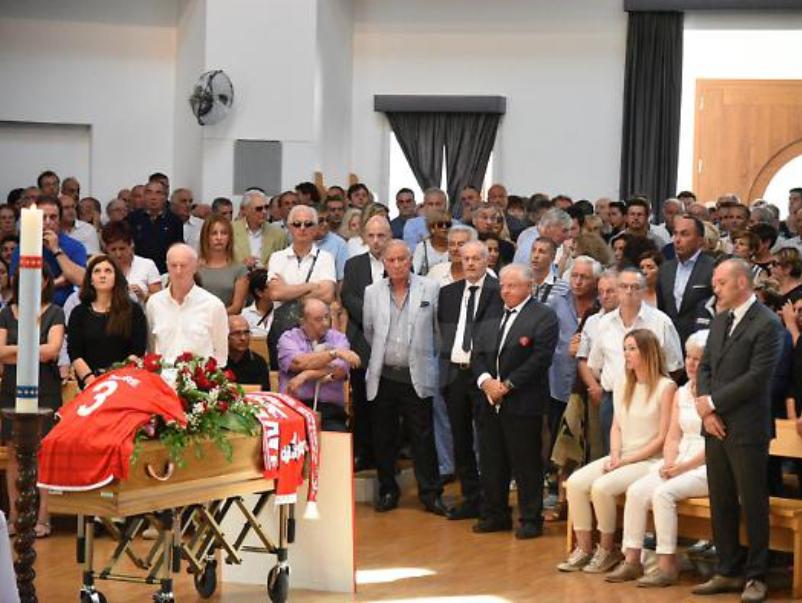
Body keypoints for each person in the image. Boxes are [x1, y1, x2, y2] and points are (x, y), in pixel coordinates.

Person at [691, 259, 783, 603]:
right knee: (722, 500)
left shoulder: (768, 323)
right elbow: (705, 367)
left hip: (747, 427)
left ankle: (756, 575)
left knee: (753, 501)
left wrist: (713, 402)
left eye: (721, 282)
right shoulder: (720, 320)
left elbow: (758, 377)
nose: (715, 288)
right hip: (715, 425)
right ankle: (727, 569)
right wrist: (706, 409)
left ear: (742, 282)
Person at [559, 329, 675, 574]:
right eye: (624, 348)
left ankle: (607, 549)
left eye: (632, 348)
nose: (626, 354)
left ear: (648, 352)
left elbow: (662, 438)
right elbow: (616, 426)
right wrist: (614, 455)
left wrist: (625, 460)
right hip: (621, 455)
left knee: (602, 488)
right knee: (576, 483)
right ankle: (584, 548)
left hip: (649, 460)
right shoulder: (622, 383)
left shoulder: (666, 387)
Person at [611, 330, 709, 587]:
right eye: (689, 357)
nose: (691, 363)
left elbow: (714, 445)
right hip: (679, 459)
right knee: (636, 491)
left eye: (698, 359)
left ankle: (667, 565)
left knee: (663, 494)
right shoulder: (682, 392)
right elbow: (673, 436)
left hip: (705, 465)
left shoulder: (715, 396)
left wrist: (682, 467)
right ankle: (632, 561)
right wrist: (669, 462)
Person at [470, 263, 558, 539]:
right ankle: (495, 514)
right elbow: (477, 352)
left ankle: (530, 518)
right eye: (503, 286)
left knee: (526, 463)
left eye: (512, 286)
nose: (505, 291)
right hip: (489, 398)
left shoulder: (543, 316)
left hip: (523, 401)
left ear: (529, 287)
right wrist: (486, 381)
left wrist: (507, 385)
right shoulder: (493, 313)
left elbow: (540, 358)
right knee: (491, 460)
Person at [362, 240, 447, 515]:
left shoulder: (430, 288)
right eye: (391, 260)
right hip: (384, 374)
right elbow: (369, 331)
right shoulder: (372, 291)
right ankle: (388, 490)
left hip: (416, 374)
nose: (397, 265)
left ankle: (431, 493)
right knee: (384, 437)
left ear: (411, 260)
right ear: (384, 263)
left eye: (402, 259)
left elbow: (437, 333)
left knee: (423, 436)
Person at [437, 240, 503, 520]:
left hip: (484, 375)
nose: (471, 263)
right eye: (466, 259)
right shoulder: (448, 293)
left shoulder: (498, 291)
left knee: (487, 441)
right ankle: (470, 497)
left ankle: (492, 500)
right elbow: (443, 331)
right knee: (460, 439)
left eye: (477, 258)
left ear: (487, 260)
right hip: (454, 374)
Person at [586, 268, 683, 453]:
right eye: (624, 286)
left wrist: (654, 390)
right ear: (617, 290)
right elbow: (595, 364)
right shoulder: (604, 323)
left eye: (635, 287)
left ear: (644, 291)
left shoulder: (661, 322)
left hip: (650, 399)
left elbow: (675, 367)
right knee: (612, 455)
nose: (629, 292)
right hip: (613, 399)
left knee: (648, 455)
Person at [0, 266, 65, 538]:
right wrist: (31, 351)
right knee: (14, 450)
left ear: (46, 281)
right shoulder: (6, 313)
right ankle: (15, 516)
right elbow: (0, 352)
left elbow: (52, 350)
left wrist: (17, 352)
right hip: (11, 387)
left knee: (44, 451)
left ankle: (43, 515)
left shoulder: (55, 312)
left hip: (45, 385)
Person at [341, 215, 392, 472]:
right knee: (361, 403)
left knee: (388, 405)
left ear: (389, 236)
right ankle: (363, 453)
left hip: (392, 344)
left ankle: (387, 457)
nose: (376, 241)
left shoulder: (399, 261)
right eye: (371, 235)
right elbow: (348, 297)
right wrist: (375, 316)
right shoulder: (354, 265)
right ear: (364, 237)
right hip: (361, 341)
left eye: (381, 235)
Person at [277, 298, 360, 432]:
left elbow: (340, 370)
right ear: (302, 321)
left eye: (327, 317)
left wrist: (306, 375)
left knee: (338, 437)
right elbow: (299, 362)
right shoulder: (288, 338)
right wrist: (334, 354)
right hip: (294, 407)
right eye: (318, 319)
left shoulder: (338, 338)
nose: (325, 323)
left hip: (330, 411)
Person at [67, 254, 148, 387]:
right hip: (90, 384)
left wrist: (117, 381)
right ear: (91, 280)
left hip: (124, 382)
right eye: (97, 271)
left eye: (108, 271)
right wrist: (91, 381)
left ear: (116, 277)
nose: (102, 275)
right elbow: (75, 353)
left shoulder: (133, 310)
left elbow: (138, 350)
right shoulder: (79, 313)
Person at [146, 243, 228, 366]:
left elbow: (220, 354)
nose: (178, 271)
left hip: (199, 377)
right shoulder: (154, 303)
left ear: (195, 267)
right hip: (162, 376)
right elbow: (151, 347)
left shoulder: (213, 305)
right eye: (173, 265)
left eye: (183, 266)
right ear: (167, 266)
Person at [10, 195, 87, 307]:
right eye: (42, 217)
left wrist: (56, 250)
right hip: (31, 306)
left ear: (60, 219)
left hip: (64, 307)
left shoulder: (75, 246)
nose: (47, 222)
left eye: (53, 217)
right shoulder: (23, 247)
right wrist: (58, 281)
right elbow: (16, 284)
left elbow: (81, 279)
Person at [657, 215, 713, 346]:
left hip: (700, 342)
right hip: (670, 342)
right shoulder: (665, 269)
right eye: (675, 234)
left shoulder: (712, 268)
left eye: (684, 234)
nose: (677, 240)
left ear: (700, 240)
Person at [126, 180, 183, 274]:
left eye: (158, 193)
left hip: (164, 271)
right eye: (149, 192)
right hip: (138, 271)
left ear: (165, 197)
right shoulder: (132, 219)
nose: (153, 197)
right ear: (144, 196)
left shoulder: (174, 221)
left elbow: (177, 248)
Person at [100, 221, 162, 305]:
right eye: (113, 249)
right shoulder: (100, 268)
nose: (118, 254)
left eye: (122, 248)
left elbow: (160, 301)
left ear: (131, 244)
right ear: (106, 248)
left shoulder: (147, 265)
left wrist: (143, 295)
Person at [197, 215, 249, 315]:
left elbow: (236, 307)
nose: (219, 238)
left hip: (226, 319)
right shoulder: (194, 268)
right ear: (206, 237)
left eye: (224, 233)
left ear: (229, 237)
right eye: (214, 233)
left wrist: (214, 316)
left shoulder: (239, 269)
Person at [232, 190, 288, 270]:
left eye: (266, 207)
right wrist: (242, 265)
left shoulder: (278, 234)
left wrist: (271, 266)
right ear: (244, 210)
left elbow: (284, 262)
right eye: (259, 209)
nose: (264, 212)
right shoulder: (230, 230)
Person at [225, 314, 269, 391]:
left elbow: (264, 393)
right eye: (237, 333)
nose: (243, 338)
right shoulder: (218, 362)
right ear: (226, 335)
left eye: (246, 332)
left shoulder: (258, 363)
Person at [403, 187, 450, 252]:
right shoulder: (412, 225)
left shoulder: (456, 225)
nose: (434, 208)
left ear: (446, 205)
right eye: (430, 204)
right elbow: (411, 249)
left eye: (438, 204)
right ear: (425, 206)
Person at [530, 237, 569, 304]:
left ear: (552, 257)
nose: (535, 256)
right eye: (533, 250)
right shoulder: (521, 284)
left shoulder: (564, 289)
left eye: (541, 252)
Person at [241, 268, 272, 337]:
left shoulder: (280, 313)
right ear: (259, 292)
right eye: (270, 287)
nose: (276, 289)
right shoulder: (244, 315)